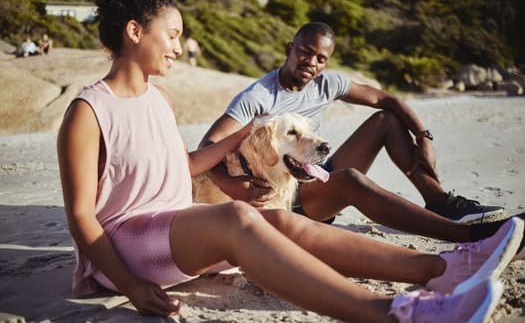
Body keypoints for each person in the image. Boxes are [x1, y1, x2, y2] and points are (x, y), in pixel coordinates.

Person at [57, 0, 523, 321]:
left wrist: (244, 135)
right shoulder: (88, 110)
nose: (180, 47)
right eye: (173, 35)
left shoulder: (156, 100)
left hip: (177, 229)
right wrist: (130, 285)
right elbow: (81, 217)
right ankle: (394, 313)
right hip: (127, 245)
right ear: (136, 32)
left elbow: (185, 164)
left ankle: (444, 266)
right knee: (240, 216)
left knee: (278, 218)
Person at [199, 22, 523, 247]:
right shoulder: (258, 97)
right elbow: (207, 146)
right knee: (352, 180)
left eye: (320, 58)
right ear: (290, 48)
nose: (311, 62)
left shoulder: (327, 83)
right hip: (287, 197)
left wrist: (424, 137)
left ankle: (439, 201)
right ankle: (467, 236)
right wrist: (233, 186)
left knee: (386, 120)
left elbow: (386, 99)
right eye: (304, 52)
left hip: (312, 171)